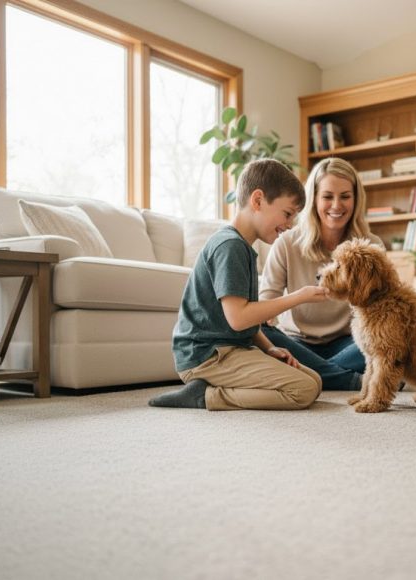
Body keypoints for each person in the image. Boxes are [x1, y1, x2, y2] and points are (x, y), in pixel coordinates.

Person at [149, 159, 326, 410]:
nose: (289, 225)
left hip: (231, 349)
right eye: (287, 214)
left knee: (314, 381)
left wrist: (270, 348)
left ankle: (214, 389)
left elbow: (247, 320)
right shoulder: (229, 246)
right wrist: (299, 296)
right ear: (257, 200)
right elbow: (239, 318)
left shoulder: (242, 247)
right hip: (207, 356)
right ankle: (204, 396)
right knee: (303, 390)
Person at [259, 157, 383, 390]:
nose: (336, 205)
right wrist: (300, 297)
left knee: (384, 339)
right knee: (262, 333)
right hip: (297, 342)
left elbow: (381, 309)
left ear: (356, 199)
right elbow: (264, 307)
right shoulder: (286, 243)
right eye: (327, 196)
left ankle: (312, 374)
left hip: (350, 342)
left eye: (345, 196)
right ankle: (350, 380)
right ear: (314, 199)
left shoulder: (370, 246)